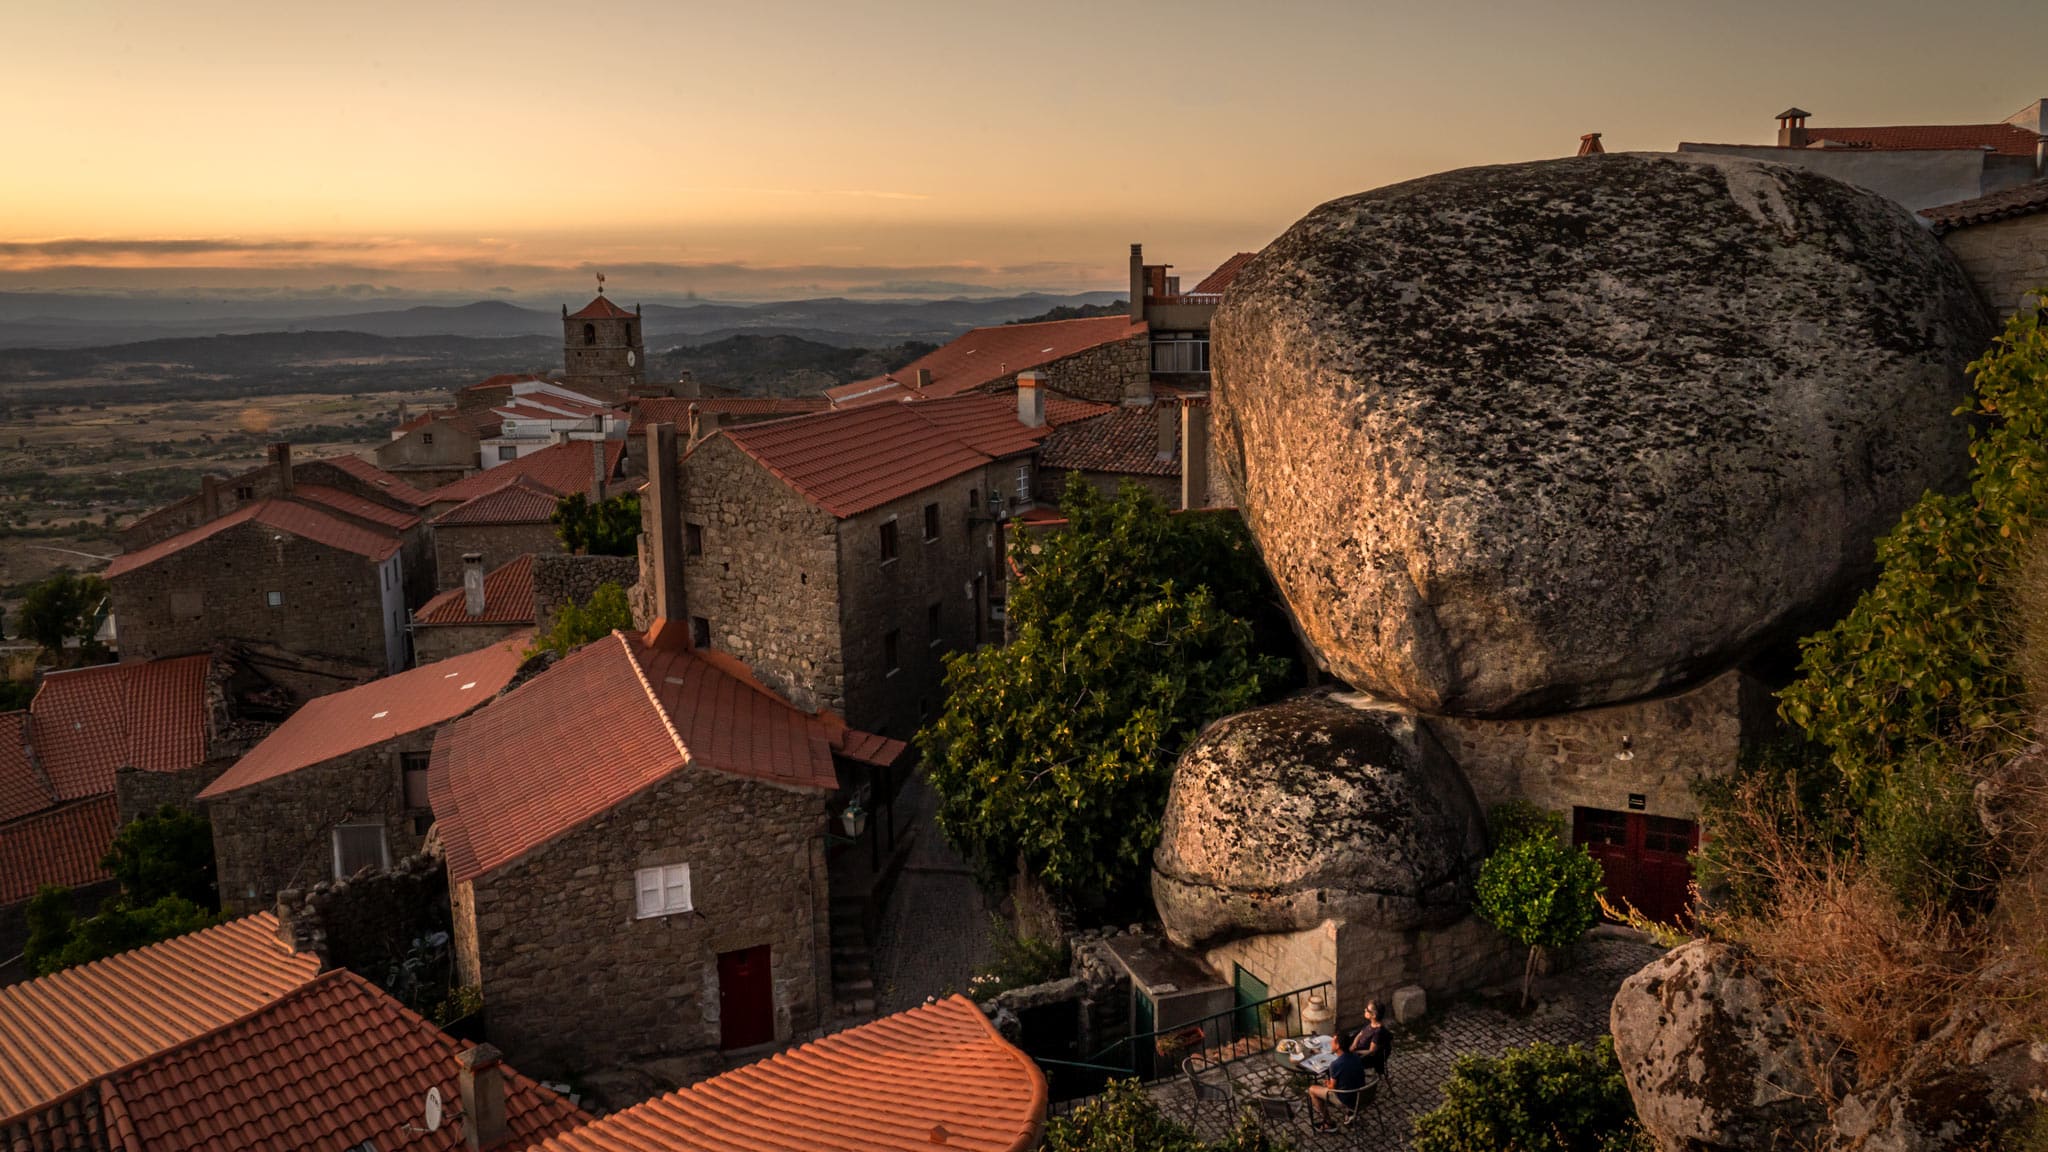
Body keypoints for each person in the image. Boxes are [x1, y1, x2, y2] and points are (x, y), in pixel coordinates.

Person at [1308, 1045, 1367, 1132]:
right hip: (1363, 1094)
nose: (1331, 1044)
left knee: (1312, 1089)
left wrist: (1328, 1084)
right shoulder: (1355, 1056)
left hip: (1346, 1099)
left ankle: (1328, 1124)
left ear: (1338, 1046)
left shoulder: (1335, 1064)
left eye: (1333, 1042)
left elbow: (1332, 1087)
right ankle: (1350, 1113)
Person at [1348, 1001, 1391, 1076]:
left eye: (1367, 1010)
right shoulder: (1370, 1024)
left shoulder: (1378, 1032)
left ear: (1374, 1015)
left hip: (1364, 1057)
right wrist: (1354, 1045)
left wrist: (1356, 1052)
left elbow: (1371, 1051)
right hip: (1356, 1049)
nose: (1365, 1010)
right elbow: (1359, 1034)